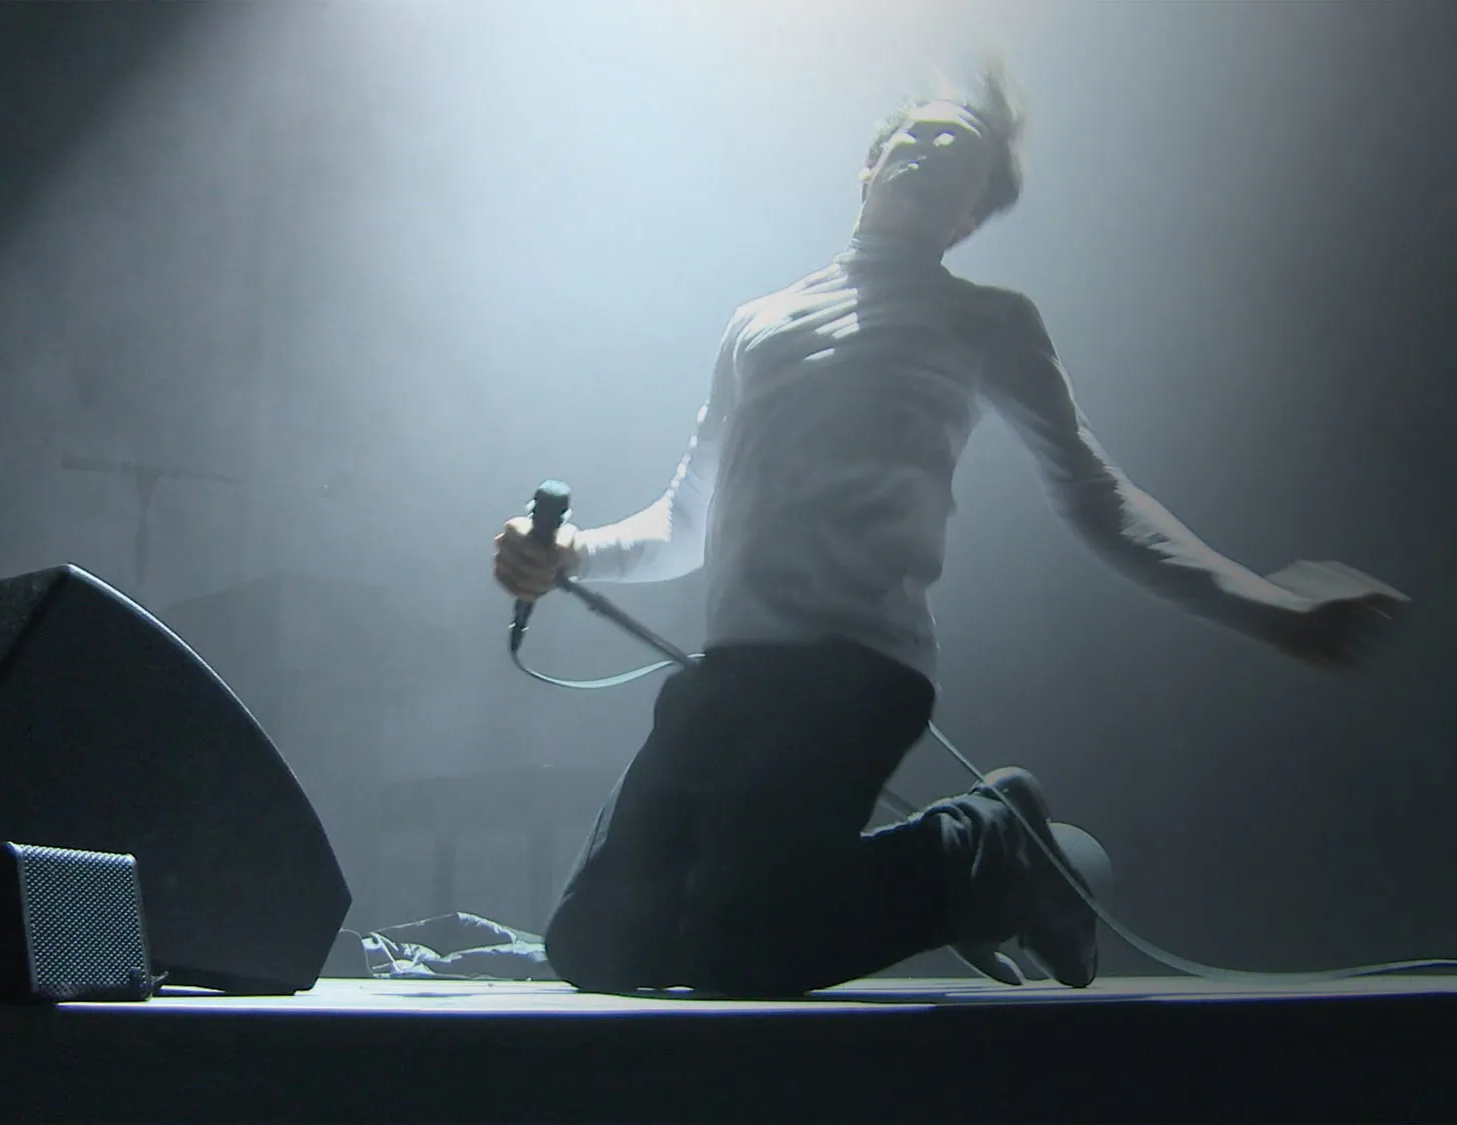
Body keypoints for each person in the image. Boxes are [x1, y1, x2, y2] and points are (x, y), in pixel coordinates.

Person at [492, 62, 1405, 999]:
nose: (929, 152)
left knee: (742, 949)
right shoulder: (755, 323)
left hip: (855, 671)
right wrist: (570, 551)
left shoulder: (988, 321)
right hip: (728, 674)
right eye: (915, 135)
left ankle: (993, 840)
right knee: (594, 945)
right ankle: (980, 858)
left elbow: (1101, 498)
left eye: (960, 151)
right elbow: (689, 518)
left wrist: (1273, 610)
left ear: (973, 214)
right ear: (869, 167)